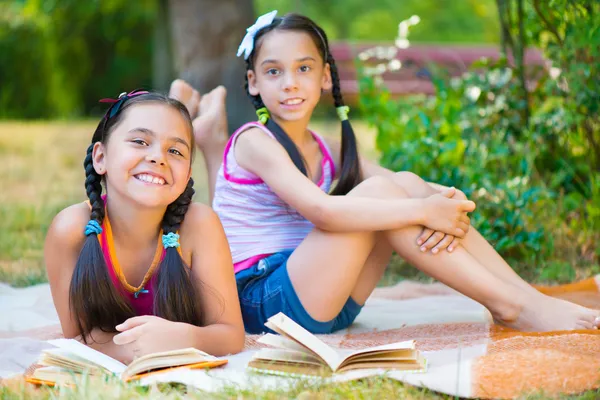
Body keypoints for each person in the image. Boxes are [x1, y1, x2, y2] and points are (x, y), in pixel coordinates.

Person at [192, 10, 600, 335]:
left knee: (404, 185)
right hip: (266, 302)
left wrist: (446, 198)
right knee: (390, 194)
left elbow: (410, 186)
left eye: (303, 68)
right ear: (254, 83)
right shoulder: (253, 142)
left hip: (328, 301)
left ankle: (524, 297)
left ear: (325, 76)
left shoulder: (324, 146)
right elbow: (323, 212)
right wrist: (423, 211)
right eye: (274, 71)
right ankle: (510, 305)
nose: (290, 84)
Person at [45, 89, 244, 364]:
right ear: (100, 157)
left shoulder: (200, 226)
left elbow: (231, 335)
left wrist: (182, 338)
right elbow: (77, 338)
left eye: (174, 150)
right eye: (140, 141)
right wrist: (138, 349)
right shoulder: (70, 231)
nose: (158, 157)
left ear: (187, 175)